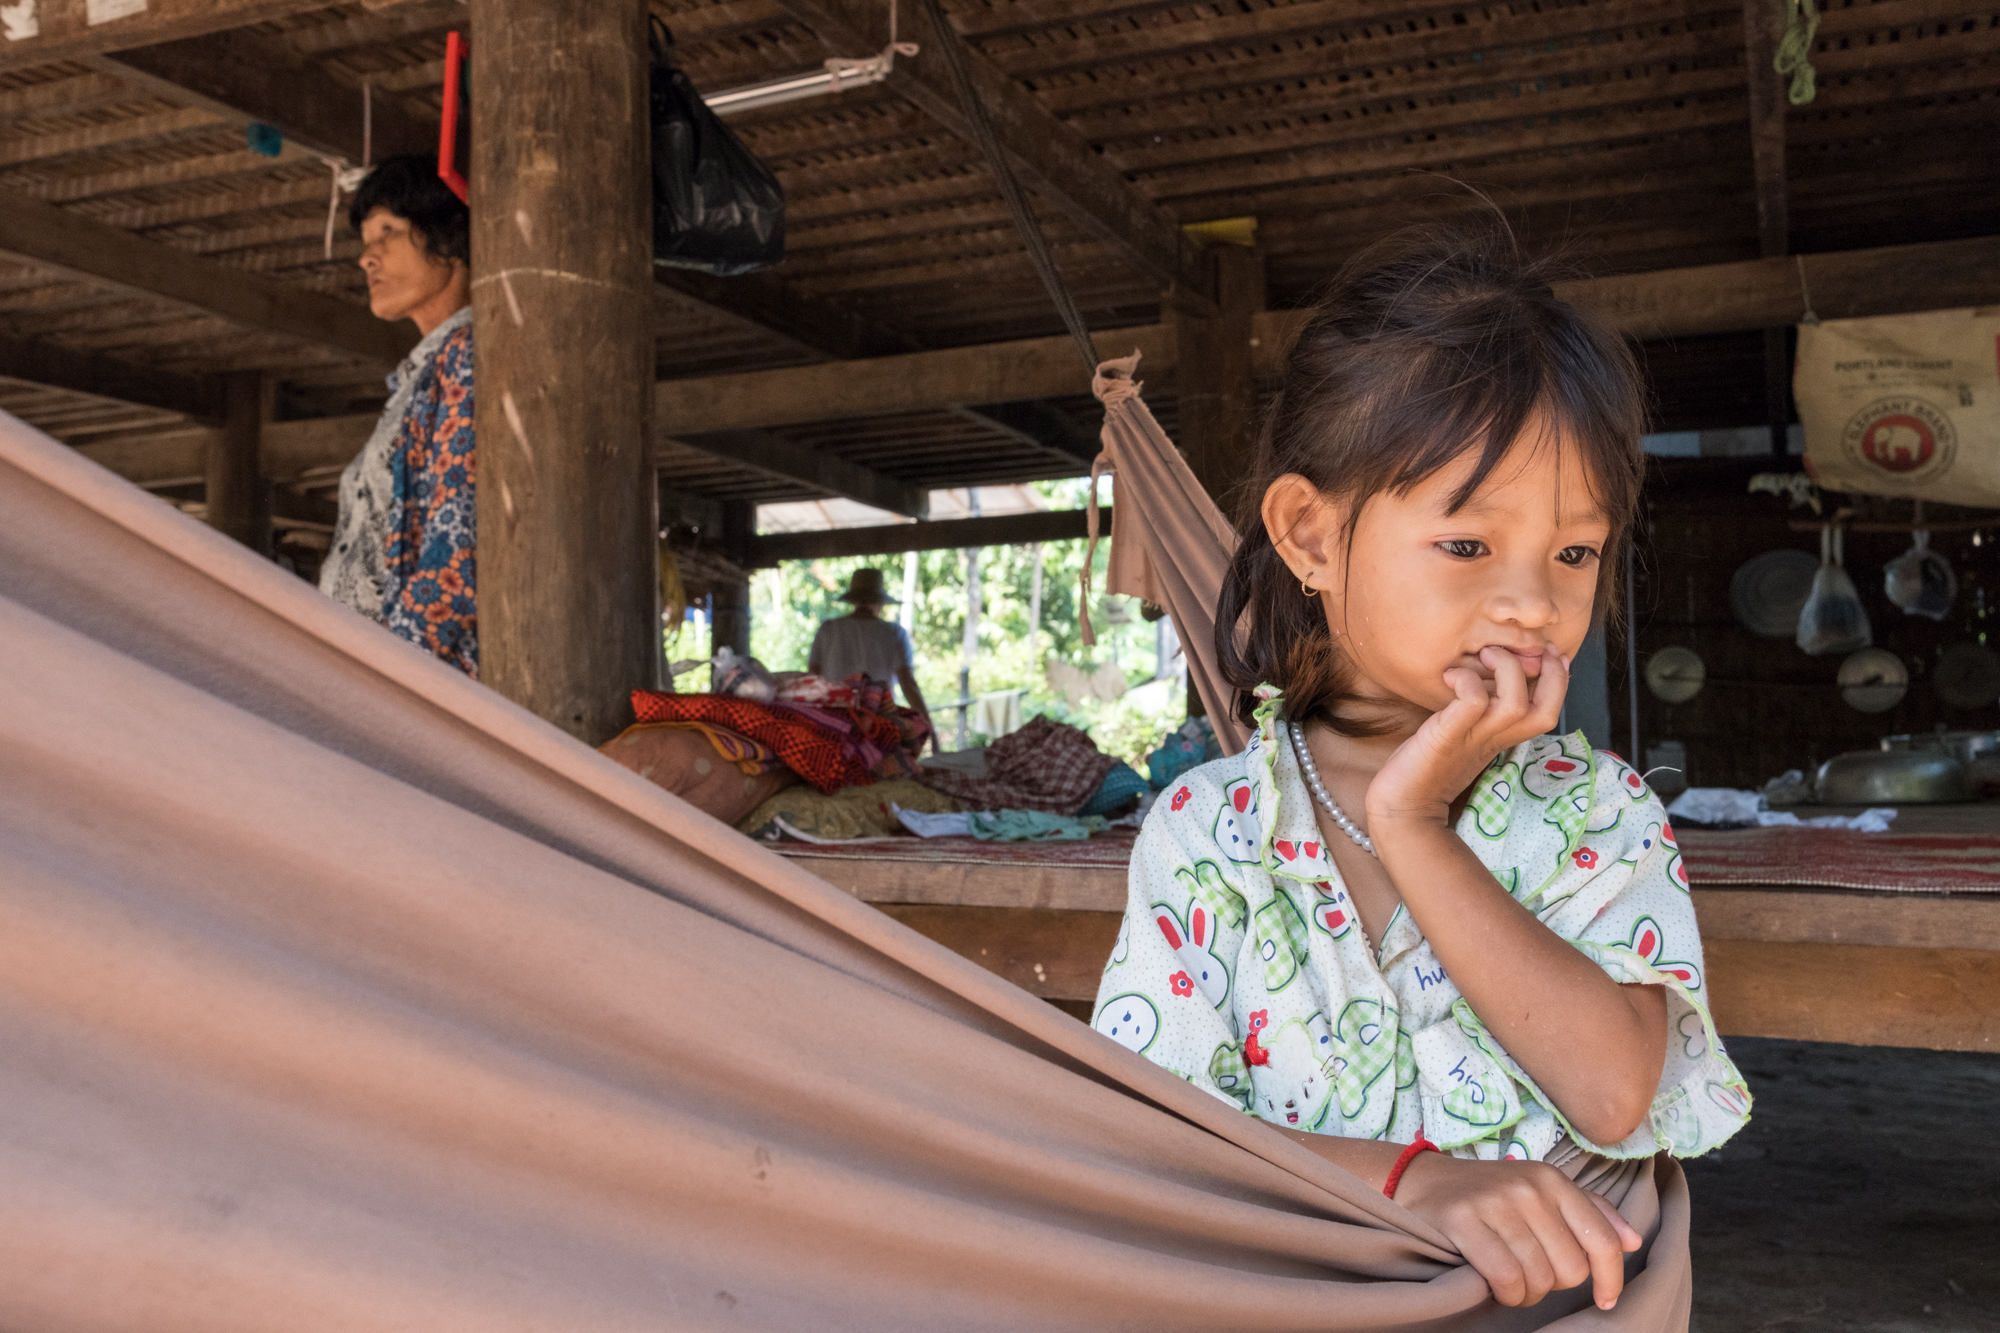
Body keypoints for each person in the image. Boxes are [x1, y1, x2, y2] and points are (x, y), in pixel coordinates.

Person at [1092, 221, 1749, 1315]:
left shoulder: (1596, 810)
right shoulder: (1208, 832)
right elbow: (1158, 1139)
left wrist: (1414, 825)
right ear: (1307, 533)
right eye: (1466, 544)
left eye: (1573, 551)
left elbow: (1613, 1090)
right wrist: (1413, 1185)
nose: (1532, 602)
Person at [319, 155, 478, 676]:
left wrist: (396, 676)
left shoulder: (469, 358)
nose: (368, 258)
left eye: (389, 232)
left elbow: (458, 544)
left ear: (449, 236)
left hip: (402, 681)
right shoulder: (424, 374)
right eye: (366, 242)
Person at [809, 568, 931, 734]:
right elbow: (908, 684)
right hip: (877, 724)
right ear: (880, 601)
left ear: (852, 600)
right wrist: (929, 726)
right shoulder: (894, 634)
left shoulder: (828, 630)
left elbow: (811, 678)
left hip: (833, 723)